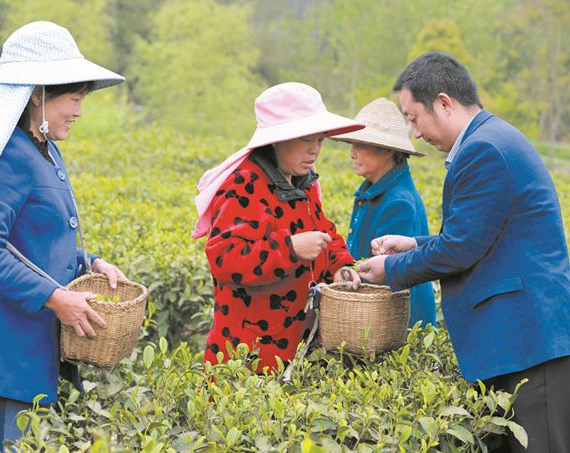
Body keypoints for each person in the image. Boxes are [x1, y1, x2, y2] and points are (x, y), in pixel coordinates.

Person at [357, 52, 570, 452]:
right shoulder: (490, 139)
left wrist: (392, 267)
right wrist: (415, 244)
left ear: (443, 103)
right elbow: (477, 237)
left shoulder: (484, 149)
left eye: (414, 117)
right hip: (520, 344)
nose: (414, 133)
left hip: (529, 344)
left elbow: (459, 250)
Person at [0, 22, 127, 451]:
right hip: (10, 344)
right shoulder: (3, 156)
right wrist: (56, 298)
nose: (79, 110)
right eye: (74, 99)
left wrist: (90, 261)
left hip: (33, 337)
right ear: (38, 94)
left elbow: (37, 239)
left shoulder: (43, 148)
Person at [192, 82, 364, 373]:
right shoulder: (244, 184)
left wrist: (339, 264)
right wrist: (290, 249)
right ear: (277, 139)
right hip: (247, 354)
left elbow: (323, 230)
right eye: (305, 140)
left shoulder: (302, 181)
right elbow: (225, 257)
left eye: (320, 140)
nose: (314, 150)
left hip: (297, 347)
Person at [330, 98, 436, 327]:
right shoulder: (373, 191)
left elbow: (384, 278)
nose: (352, 153)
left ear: (387, 150)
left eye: (360, 145)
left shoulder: (398, 202)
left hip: (396, 325)